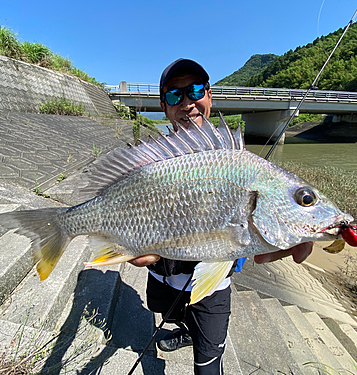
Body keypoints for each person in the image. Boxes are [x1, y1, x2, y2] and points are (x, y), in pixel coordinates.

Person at [129, 58, 313, 375]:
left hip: (213, 288)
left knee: (209, 366)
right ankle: (185, 329)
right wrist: (126, 242)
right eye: (175, 95)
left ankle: (196, 335)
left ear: (209, 95)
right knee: (167, 313)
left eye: (195, 90)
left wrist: (274, 244)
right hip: (164, 274)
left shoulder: (240, 163)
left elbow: (258, 251)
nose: (187, 102)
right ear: (164, 106)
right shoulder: (152, 161)